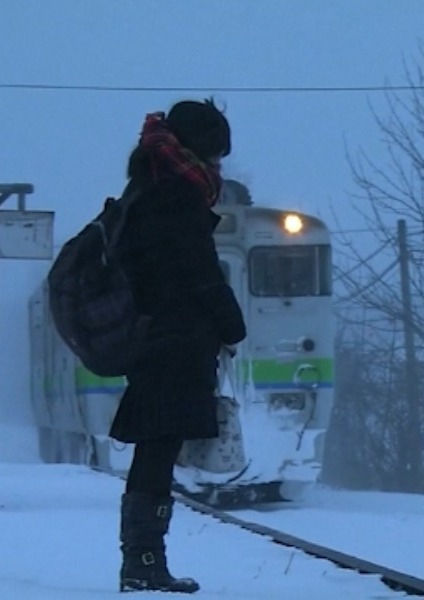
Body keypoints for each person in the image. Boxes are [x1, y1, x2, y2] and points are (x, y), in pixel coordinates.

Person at [109, 99, 247, 594]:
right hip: (173, 342)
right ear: (199, 148)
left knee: (157, 449)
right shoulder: (176, 196)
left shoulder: (149, 187)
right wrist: (232, 324)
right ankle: (145, 562)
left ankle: (144, 560)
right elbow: (198, 271)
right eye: (216, 153)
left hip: (156, 340)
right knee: (159, 451)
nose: (218, 166)